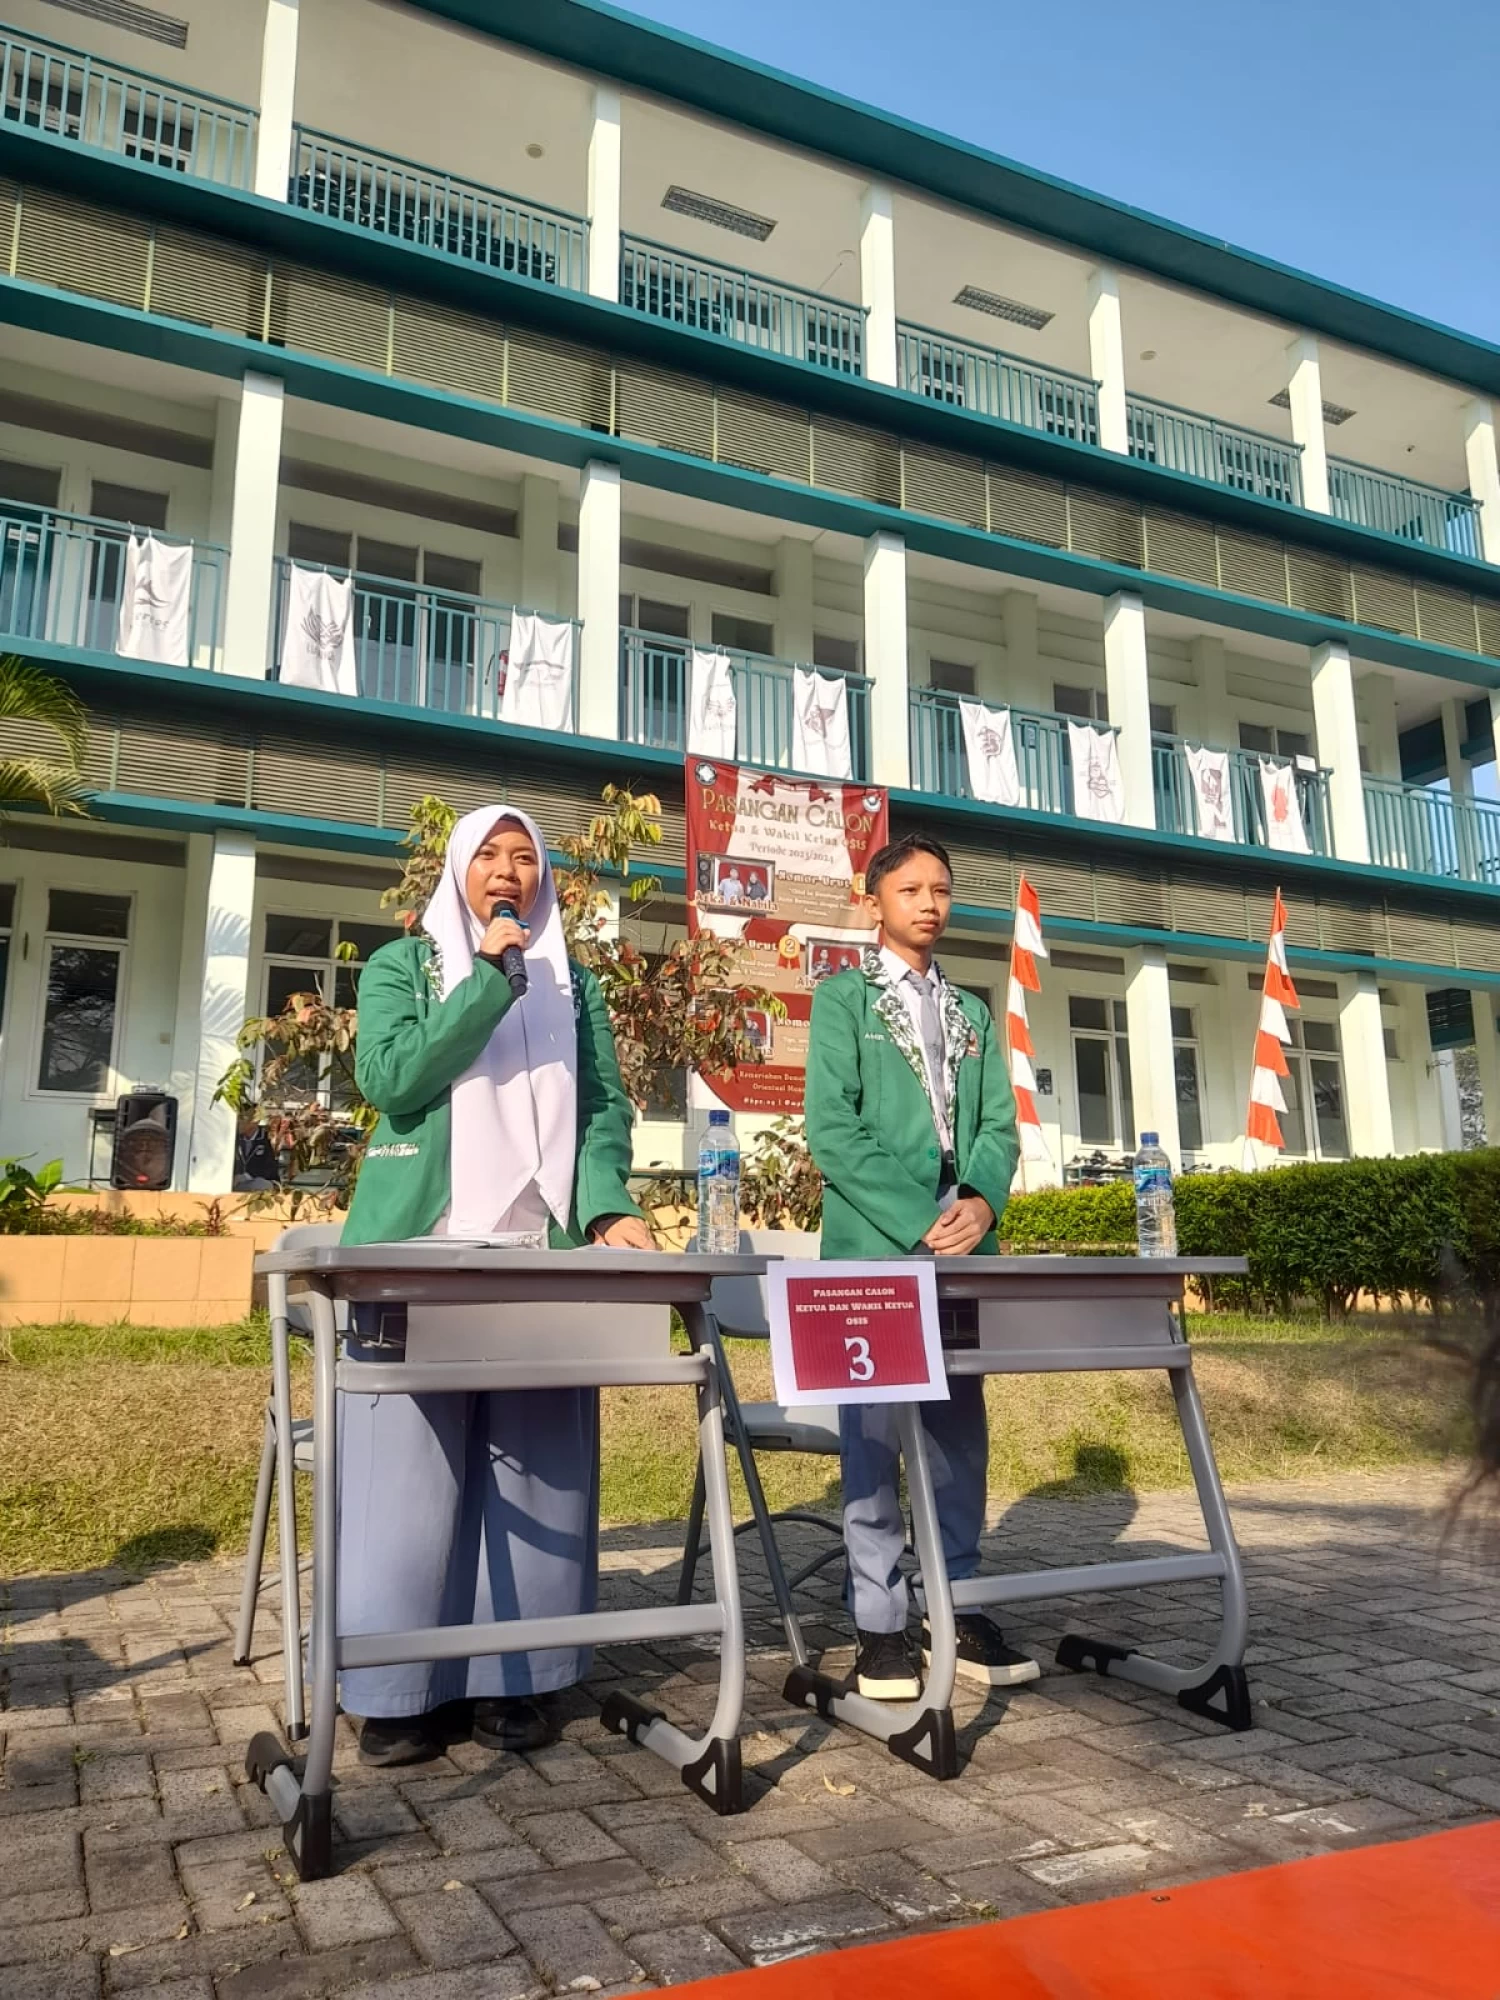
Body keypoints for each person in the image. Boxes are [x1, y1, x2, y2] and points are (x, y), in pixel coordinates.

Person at [338, 804, 653, 1767]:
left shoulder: (573, 985)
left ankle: (520, 1676)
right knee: (408, 1478)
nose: (508, 872)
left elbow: (600, 1108)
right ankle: (395, 1688)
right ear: (457, 873)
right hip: (420, 1251)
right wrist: (485, 980)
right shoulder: (403, 967)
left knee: (538, 1466)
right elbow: (392, 1079)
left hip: (536, 1250)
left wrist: (606, 1207)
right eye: (489, 856)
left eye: (525, 858)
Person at [804, 833, 1040, 1699]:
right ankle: (879, 1620)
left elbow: (999, 1126)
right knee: (872, 1431)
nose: (930, 904)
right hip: (875, 1247)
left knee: (956, 1430)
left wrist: (980, 1201)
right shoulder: (843, 999)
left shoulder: (973, 1010)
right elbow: (833, 1130)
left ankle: (956, 1599)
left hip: (963, 1249)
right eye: (911, 890)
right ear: (875, 903)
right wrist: (920, 1218)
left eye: (941, 889)